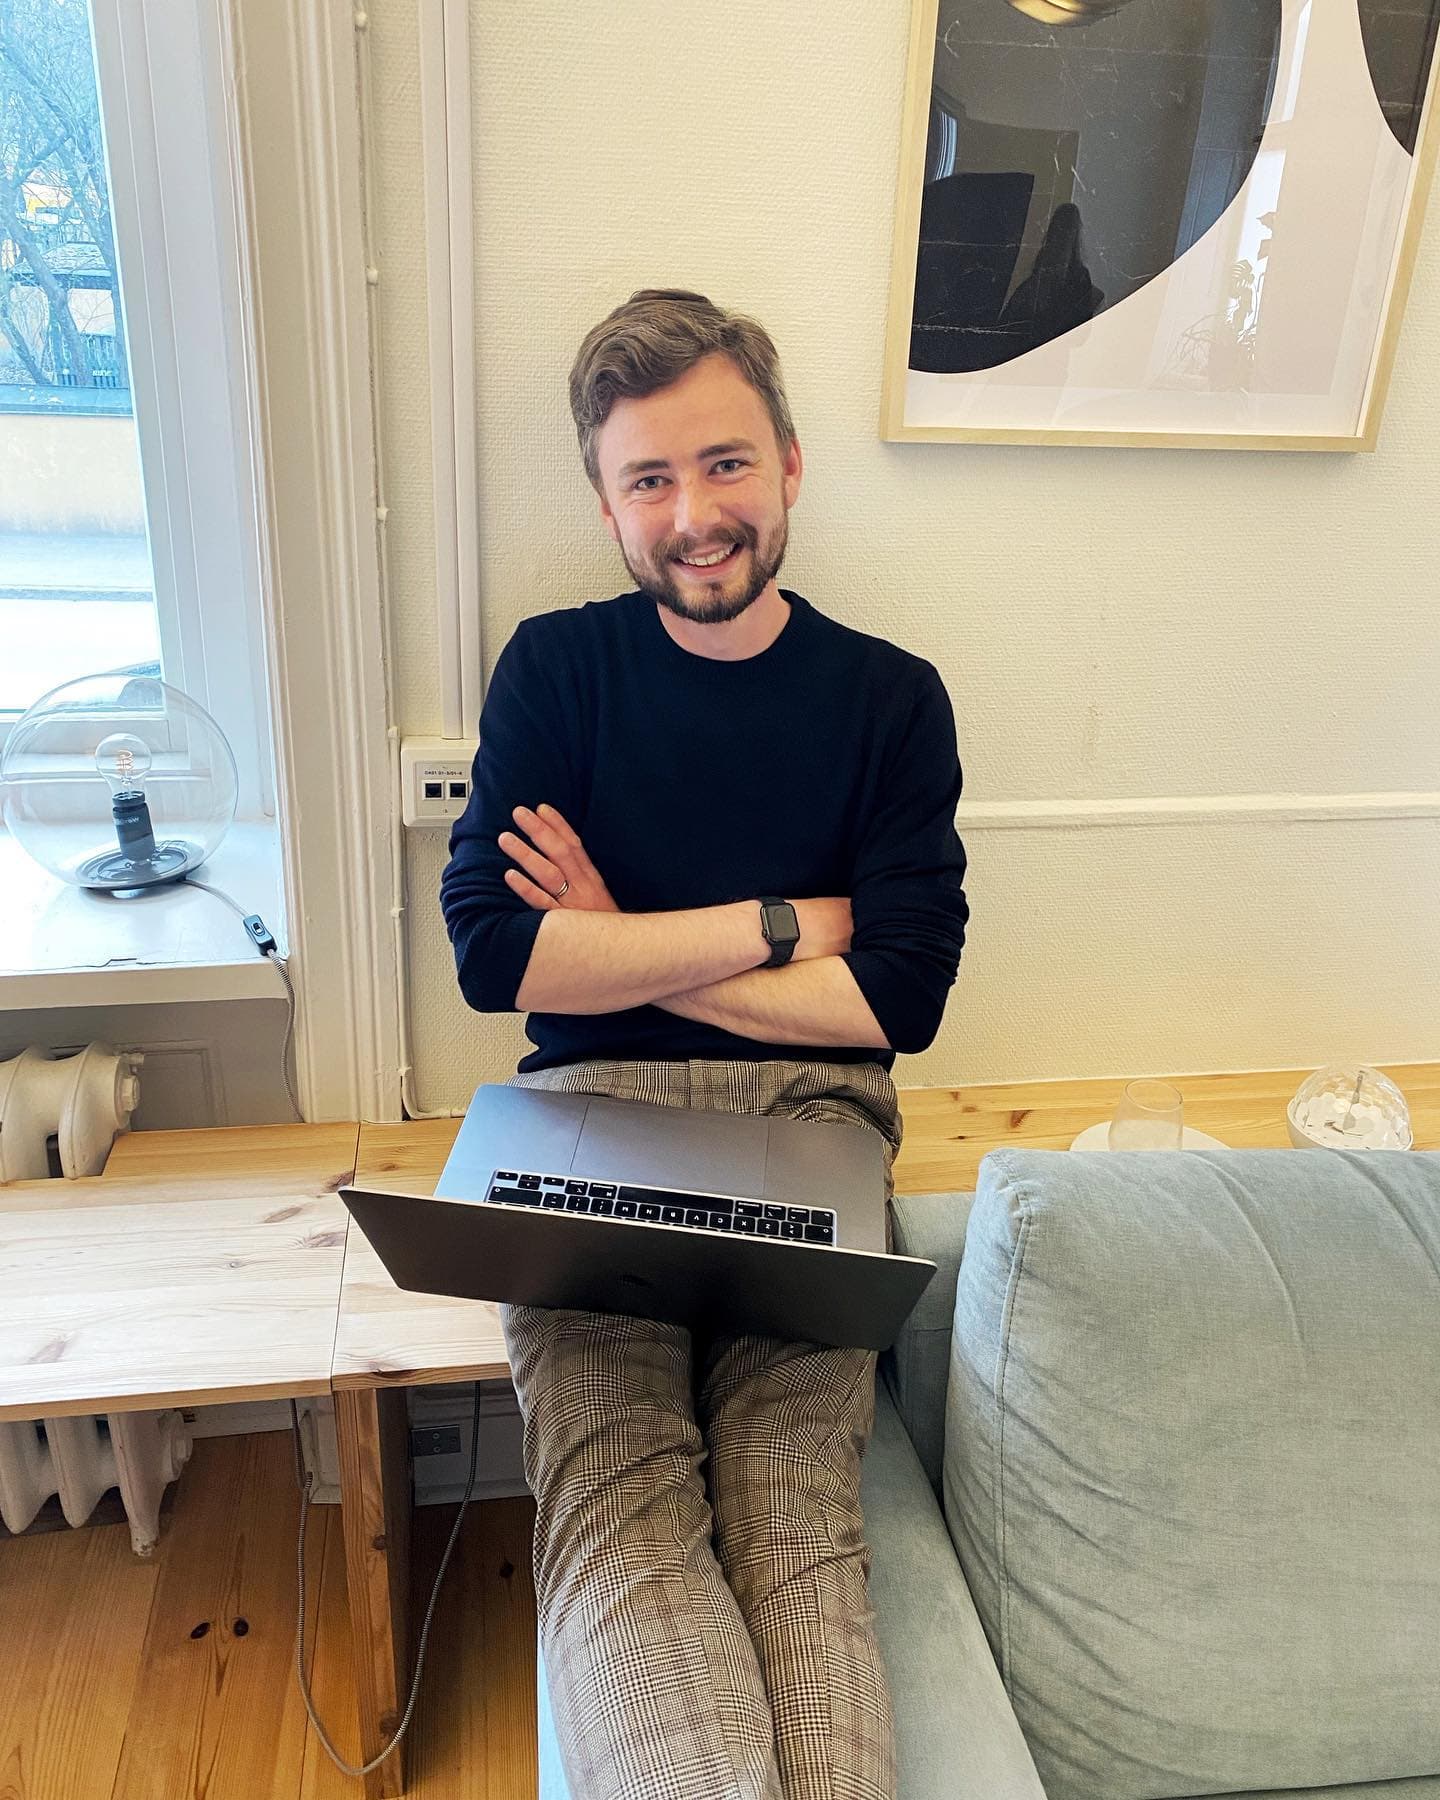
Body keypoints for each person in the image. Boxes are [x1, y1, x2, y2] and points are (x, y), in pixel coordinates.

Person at [439, 288, 968, 1800]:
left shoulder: (891, 701)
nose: (695, 516)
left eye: (725, 465)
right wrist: (796, 919)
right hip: (587, 1113)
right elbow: (495, 953)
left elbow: (904, 999)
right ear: (607, 503)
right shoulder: (555, 669)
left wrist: (623, 943)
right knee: (618, 1492)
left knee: (793, 1501)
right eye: (650, 480)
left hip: (816, 1116)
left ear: (792, 464)